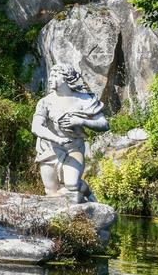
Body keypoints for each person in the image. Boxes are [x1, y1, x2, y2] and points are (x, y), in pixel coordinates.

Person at [32, 64, 109, 203]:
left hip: (74, 148)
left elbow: (104, 124)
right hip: (50, 149)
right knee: (51, 191)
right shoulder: (45, 102)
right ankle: (60, 220)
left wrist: (80, 121)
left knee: (72, 185)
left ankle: (87, 193)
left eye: (55, 75)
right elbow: (36, 127)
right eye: (51, 75)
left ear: (66, 78)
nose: (50, 79)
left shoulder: (84, 99)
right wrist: (56, 139)